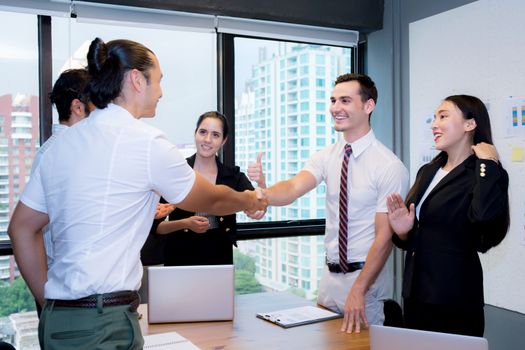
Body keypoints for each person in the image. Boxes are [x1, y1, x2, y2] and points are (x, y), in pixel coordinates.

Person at [7, 37, 266, 350]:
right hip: (103, 324)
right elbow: (209, 199)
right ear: (136, 79)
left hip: (61, 322)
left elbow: (21, 227)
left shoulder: (59, 147)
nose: (161, 92)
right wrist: (249, 199)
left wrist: (50, 300)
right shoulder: (145, 143)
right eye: (158, 80)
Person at [256, 73, 409, 333]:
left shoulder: (389, 166)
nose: (335, 108)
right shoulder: (327, 156)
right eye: (333, 100)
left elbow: (384, 239)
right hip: (329, 281)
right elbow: (293, 187)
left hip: (364, 283)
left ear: (368, 106)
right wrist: (263, 195)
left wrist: (359, 289)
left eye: (345, 100)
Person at [386, 95, 510, 337]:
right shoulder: (428, 170)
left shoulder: (486, 172)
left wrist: (487, 163)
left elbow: (483, 218)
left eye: (443, 116)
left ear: (470, 124)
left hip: (455, 297)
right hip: (416, 293)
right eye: (434, 118)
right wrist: (403, 231)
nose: (434, 124)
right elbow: (425, 233)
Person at [144, 111, 266, 266]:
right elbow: (156, 228)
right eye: (203, 132)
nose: (207, 140)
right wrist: (186, 223)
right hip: (179, 256)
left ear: (223, 140)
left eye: (215, 135)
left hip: (219, 256)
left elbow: (257, 209)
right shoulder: (176, 172)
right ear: (195, 134)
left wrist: (261, 183)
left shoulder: (233, 176)